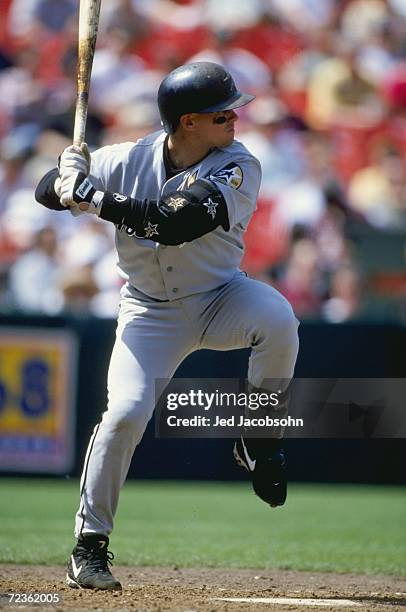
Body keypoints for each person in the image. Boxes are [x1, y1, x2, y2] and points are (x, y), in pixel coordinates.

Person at [36, 62, 299, 591]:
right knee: (124, 415)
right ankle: (88, 546)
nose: (234, 118)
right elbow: (45, 191)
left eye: (232, 110)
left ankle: (257, 432)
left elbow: (176, 222)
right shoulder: (125, 159)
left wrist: (94, 196)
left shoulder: (239, 164)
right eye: (221, 113)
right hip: (149, 311)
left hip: (221, 295)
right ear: (186, 123)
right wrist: (66, 175)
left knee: (278, 318)